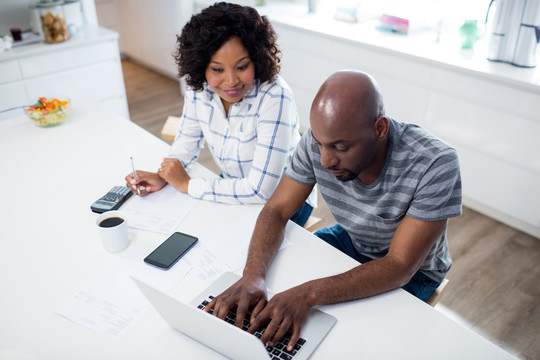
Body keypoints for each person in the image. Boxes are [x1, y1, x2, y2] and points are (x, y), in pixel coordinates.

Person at [205, 70, 462, 351]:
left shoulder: (435, 163)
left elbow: (399, 266)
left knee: (344, 342)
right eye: (319, 143)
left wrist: (308, 294)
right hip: (350, 240)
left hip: (414, 271)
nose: (326, 159)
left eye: (340, 147)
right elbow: (277, 210)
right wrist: (253, 274)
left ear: (379, 129)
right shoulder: (321, 142)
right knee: (273, 295)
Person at [125, 2, 316, 225]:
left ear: (256, 58)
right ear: (201, 66)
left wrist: (188, 184)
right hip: (235, 183)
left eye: (242, 66)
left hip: (284, 200)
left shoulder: (275, 97)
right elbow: (187, 142)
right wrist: (165, 175)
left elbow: (261, 191)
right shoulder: (199, 90)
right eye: (217, 69)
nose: (231, 81)